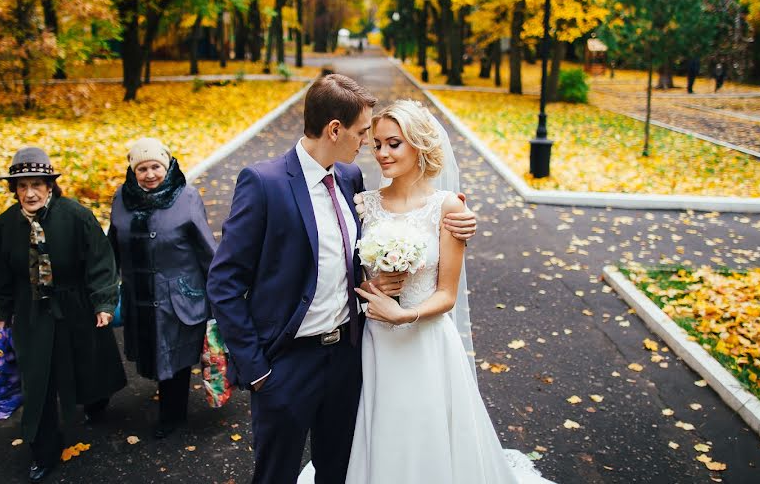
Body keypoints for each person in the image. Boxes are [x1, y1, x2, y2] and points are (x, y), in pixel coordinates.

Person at [207, 74, 477, 484]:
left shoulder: (351, 181)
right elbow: (224, 282)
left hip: (352, 358)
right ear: (335, 129)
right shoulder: (264, 183)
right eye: (364, 132)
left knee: (340, 472)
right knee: (276, 474)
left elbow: (359, 256)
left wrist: (383, 283)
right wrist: (256, 368)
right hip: (287, 365)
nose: (369, 143)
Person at [346, 100, 552, 484]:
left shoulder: (449, 208)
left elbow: (447, 295)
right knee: (385, 425)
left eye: (394, 143)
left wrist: (404, 314)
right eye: (376, 144)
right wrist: (375, 288)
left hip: (425, 341)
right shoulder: (365, 204)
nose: (382, 153)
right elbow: (354, 276)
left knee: (428, 430)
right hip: (378, 341)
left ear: (419, 144)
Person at [0, 147, 126, 483]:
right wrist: (3, 311)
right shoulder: (5, 225)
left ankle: (96, 402)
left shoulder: (76, 216)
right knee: (39, 381)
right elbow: (0, 272)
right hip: (31, 310)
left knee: (86, 362)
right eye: (22, 186)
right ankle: (44, 448)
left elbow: (100, 261)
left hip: (76, 302)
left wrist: (103, 303)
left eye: (37, 184)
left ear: (50, 185)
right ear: (14, 189)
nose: (30, 192)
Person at [108, 137, 216, 438]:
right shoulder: (122, 197)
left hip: (177, 294)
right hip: (139, 294)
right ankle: (168, 402)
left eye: (156, 166)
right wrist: (104, 286)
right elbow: (113, 243)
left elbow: (207, 248)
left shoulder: (186, 196)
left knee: (176, 356)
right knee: (155, 352)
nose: (150, 174)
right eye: (142, 168)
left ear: (167, 166)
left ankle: (172, 415)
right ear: (133, 172)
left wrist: (221, 294)